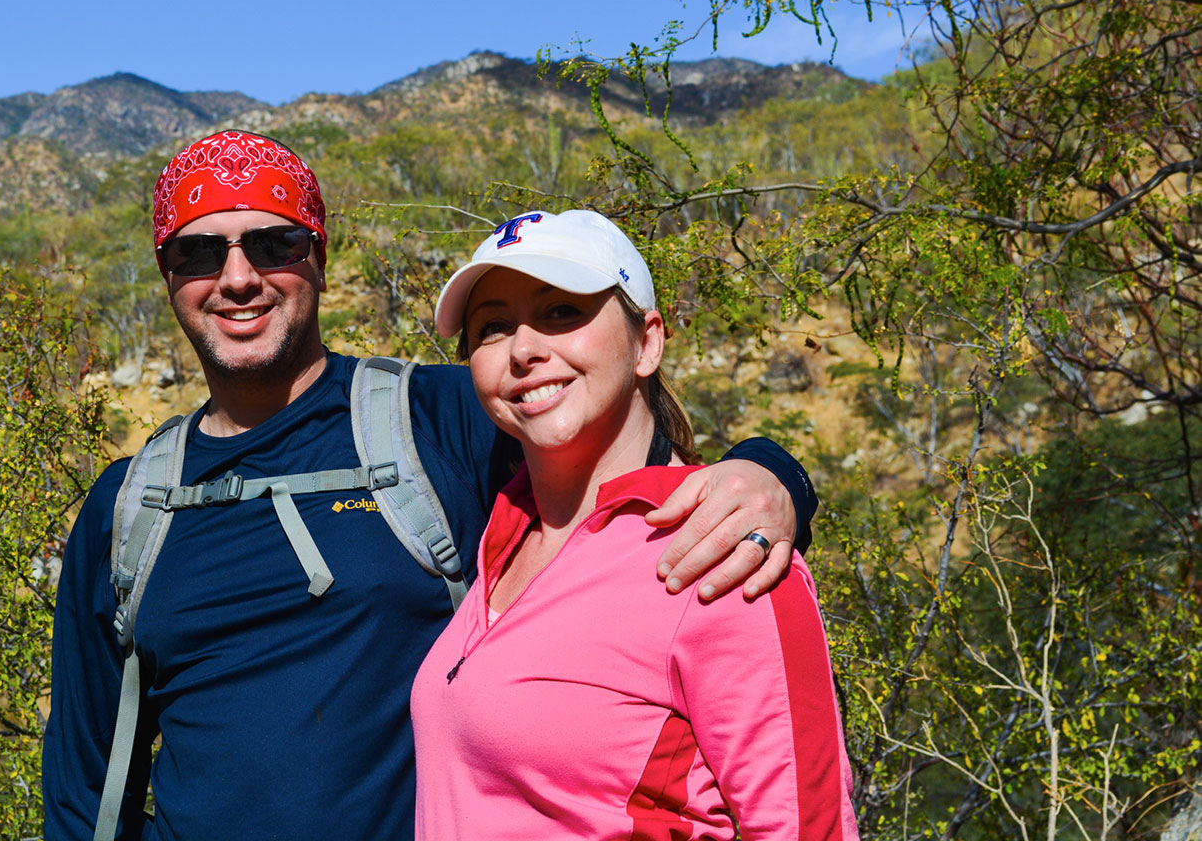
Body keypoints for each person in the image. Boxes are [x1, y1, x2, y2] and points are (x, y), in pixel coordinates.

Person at [42, 131, 820, 841]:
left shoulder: (436, 420)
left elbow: (626, 454)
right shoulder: (130, 505)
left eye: (274, 243)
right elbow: (85, 796)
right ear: (168, 277)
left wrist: (769, 474)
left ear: (318, 256)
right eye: (199, 254)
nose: (237, 278)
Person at [411, 208, 857, 840]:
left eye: (562, 312)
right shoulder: (499, 535)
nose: (525, 349)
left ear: (647, 342)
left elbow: (807, 828)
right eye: (494, 327)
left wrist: (782, 478)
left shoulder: (721, 554)